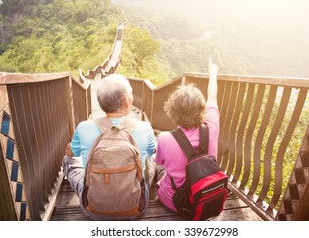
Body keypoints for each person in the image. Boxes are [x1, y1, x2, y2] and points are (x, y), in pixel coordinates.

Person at [63, 73, 156, 219]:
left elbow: (70, 153)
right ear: (126, 101)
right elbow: (152, 152)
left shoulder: (83, 127)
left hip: (93, 210)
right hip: (137, 208)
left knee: (68, 161)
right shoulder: (145, 128)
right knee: (151, 160)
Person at [155, 58, 220, 213]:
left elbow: (160, 161)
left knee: (161, 168)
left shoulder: (165, 138)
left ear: (173, 112)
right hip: (205, 198)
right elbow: (212, 96)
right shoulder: (212, 126)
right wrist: (213, 73)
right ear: (202, 108)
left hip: (177, 202)